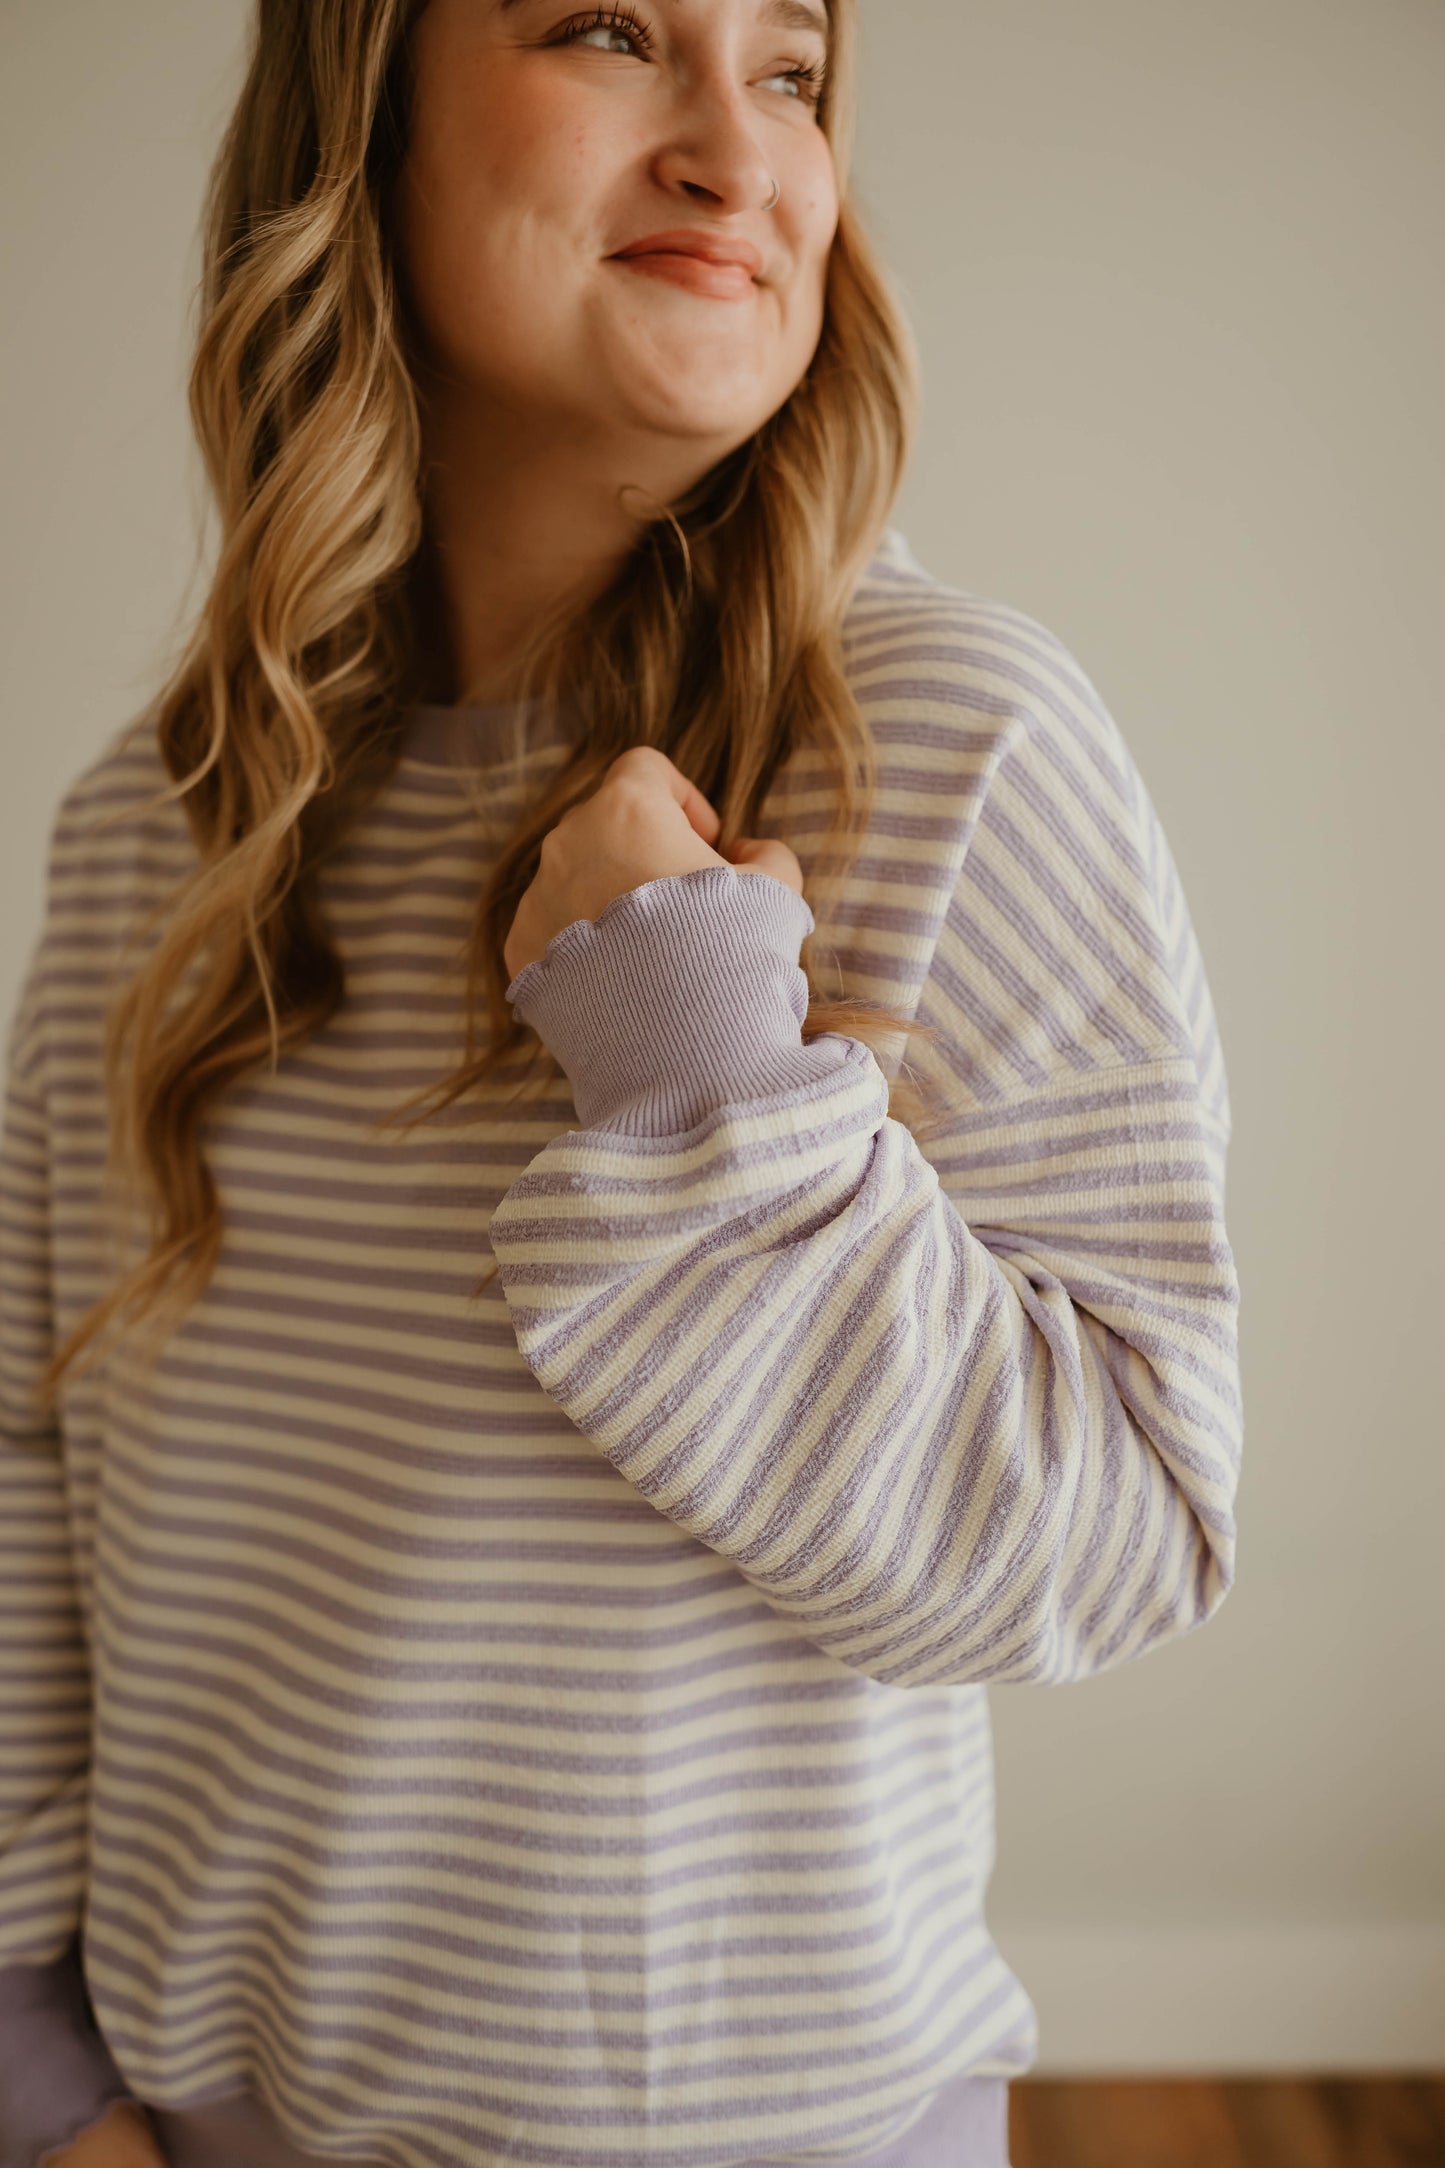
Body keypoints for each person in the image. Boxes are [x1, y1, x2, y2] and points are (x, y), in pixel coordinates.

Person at [0, 1, 1244, 2164]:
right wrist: (30, 2058)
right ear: (359, 122)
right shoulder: (161, 824)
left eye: (790, 72)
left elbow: (1123, 1529)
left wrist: (697, 1070)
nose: (735, 153)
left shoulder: (958, 742)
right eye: (607, 31)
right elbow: (30, 1482)